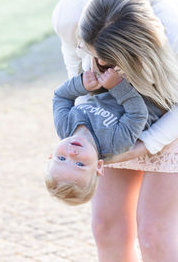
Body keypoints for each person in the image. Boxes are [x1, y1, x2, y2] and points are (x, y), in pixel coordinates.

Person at [52, 0, 178, 261]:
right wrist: (87, 104)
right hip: (115, 114)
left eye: (110, 61)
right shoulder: (69, 16)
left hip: (168, 109)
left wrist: (142, 145)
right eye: (96, 56)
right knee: (105, 227)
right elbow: (74, 77)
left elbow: (142, 115)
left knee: (154, 233)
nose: (101, 66)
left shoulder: (174, 33)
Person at [45, 68, 163, 205]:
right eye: (79, 164)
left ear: (51, 154)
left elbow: (60, 97)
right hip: (154, 90)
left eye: (61, 158)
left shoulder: (64, 126)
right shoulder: (115, 143)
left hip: (125, 77)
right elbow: (138, 114)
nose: (72, 153)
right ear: (99, 166)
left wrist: (81, 84)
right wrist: (117, 86)